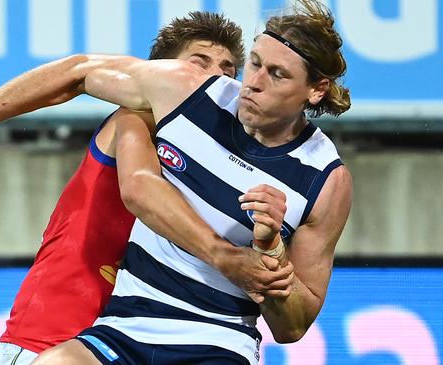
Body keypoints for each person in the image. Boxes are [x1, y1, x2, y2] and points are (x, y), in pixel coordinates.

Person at [0, 12, 292, 365]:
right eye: (198, 63)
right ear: (159, 73)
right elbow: (79, 72)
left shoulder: (217, 163)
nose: (215, 78)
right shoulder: (137, 118)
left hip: (126, 343)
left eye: (228, 71)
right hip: (47, 341)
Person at [26, 0, 350, 363]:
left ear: (317, 89)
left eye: (277, 74)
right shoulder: (187, 100)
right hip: (124, 328)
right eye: (255, 64)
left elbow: (291, 328)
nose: (252, 83)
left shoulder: (326, 180)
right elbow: (137, 184)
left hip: (218, 344)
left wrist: (270, 247)